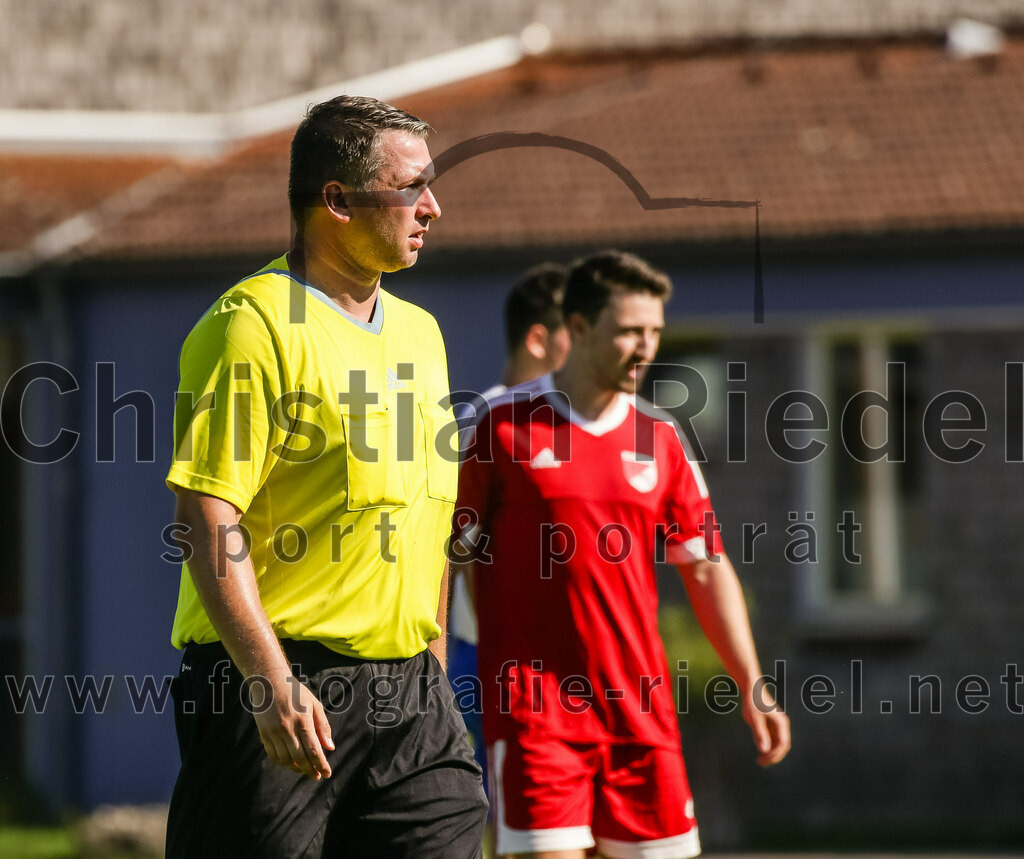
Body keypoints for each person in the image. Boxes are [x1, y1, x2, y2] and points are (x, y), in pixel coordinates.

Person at [164, 95, 488, 858]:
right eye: (411, 187)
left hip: (412, 697)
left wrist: (433, 673)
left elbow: (427, 516)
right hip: (278, 685)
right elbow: (208, 512)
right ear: (336, 200)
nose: (432, 207)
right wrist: (271, 683)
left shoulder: (422, 332)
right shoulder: (253, 323)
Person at [453, 250, 791, 858]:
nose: (647, 347)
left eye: (656, 331)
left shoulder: (660, 437)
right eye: (629, 331)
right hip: (537, 719)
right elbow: (453, 558)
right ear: (578, 327)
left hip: (642, 717)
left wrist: (752, 682)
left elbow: (708, 569)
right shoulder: (499, 427)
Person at [448, 262, 571, 781]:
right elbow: (464, 551)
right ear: (539, 339)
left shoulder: (561, 418)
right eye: (579, 332)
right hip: (489, 656)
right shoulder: (491, 418)